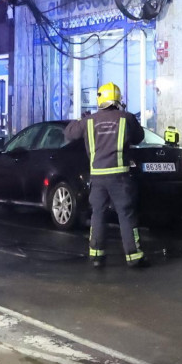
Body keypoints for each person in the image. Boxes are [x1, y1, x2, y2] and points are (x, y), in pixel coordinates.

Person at [65, 82, 147, 270]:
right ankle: (134, 256)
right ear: (118, 99)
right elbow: (139, 137)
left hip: (98, 178)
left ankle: (96, 256)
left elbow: (69, 133)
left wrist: (81, 118)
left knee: (98, 214)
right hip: (120, 177)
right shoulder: (126, 118)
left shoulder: (89, 121)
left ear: (100, 99)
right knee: (125, 215)